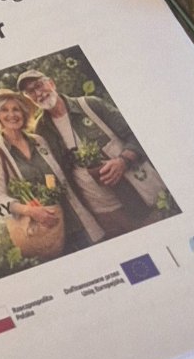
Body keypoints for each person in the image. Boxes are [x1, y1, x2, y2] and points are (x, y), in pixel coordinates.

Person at [18, 69, 165, 236]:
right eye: (31, 92)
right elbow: (50, 172)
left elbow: (136, 134)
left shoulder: (90, 105)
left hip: (135, 196)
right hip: (100, 213)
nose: (38, 93)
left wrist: (123, 161)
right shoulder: (41, 130)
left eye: (39, 85)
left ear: (51, 83)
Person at [0, 90, 98, 253]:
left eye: (16, 109)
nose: (12, 115)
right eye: (4, 110)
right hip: (44, 233)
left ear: (23, 113)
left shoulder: (39, 141)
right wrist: (30, 211)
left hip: (76, 220)